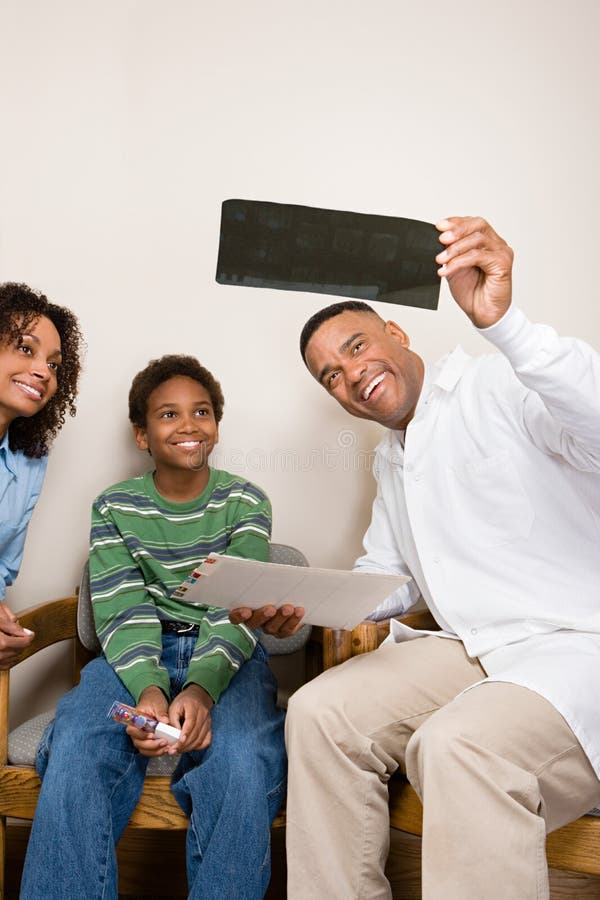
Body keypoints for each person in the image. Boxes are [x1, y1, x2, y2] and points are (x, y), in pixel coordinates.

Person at [233, 217, 600, 899]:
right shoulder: (392, 459)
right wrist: (304, 604)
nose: (351, 374)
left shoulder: (501, 386)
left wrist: (507, 324)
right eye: (331, 375)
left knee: (457, 746)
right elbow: (388, 577)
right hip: (473, 648)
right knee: (317, 714)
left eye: (357, 346)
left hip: (574, 646)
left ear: (397, 336)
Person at [21, 355, 286, 900]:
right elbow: (122, 607)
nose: (189, 425)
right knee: (76, 743)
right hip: (133, 655)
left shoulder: (245, 501)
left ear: (216, 425)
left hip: (226, 655)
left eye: (202, 411)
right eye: (169, 414)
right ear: (142, 434)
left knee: (240, 762)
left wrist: (199, 689)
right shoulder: (114, 506)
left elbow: (236, 606)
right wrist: (149, 687)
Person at [0, 282, 82, 669]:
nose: (42, 371)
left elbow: (1, 569)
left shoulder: (29, 460)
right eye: (26, 348)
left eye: (53, 364)